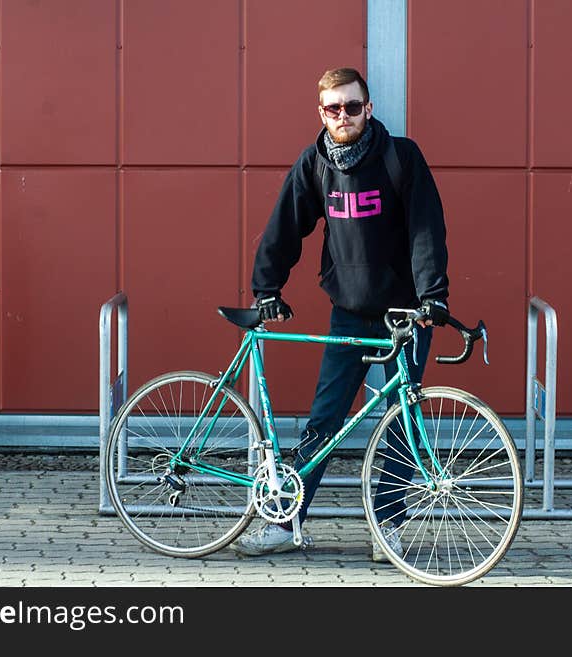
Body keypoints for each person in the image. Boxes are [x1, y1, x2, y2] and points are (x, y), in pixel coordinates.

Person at [232, 67, 450, 561]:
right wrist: (267, 287)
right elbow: (284, 227)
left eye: (353, 106)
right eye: (334, 108)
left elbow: (426, 231)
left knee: (402, 423)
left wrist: (433, 295)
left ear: (368, 109)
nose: (344, 115)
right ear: (322, 114)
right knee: (325, 419)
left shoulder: (400, 157)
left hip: (404, 315)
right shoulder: (315, 164)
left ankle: (386, 527)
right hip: (349, 313)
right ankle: (286, 520)